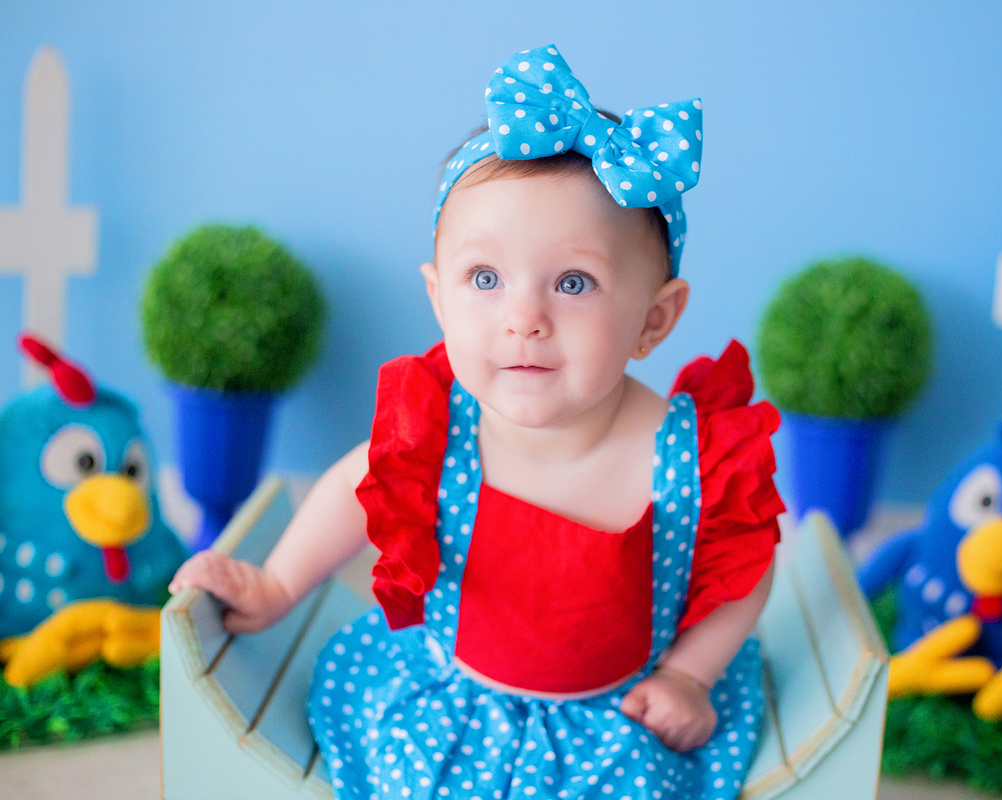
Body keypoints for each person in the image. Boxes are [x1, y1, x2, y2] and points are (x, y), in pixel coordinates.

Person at [170, 44, 786, 800]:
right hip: (454, 696)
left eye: (574, 282)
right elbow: (354, 489)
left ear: (653, 321)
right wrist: (277, 583)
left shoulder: (686, 455)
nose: (524, 318)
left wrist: (691, 674)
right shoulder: (442, 429)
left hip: (612, 717)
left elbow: (743, 576)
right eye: (485, 279)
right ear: (438, 297)